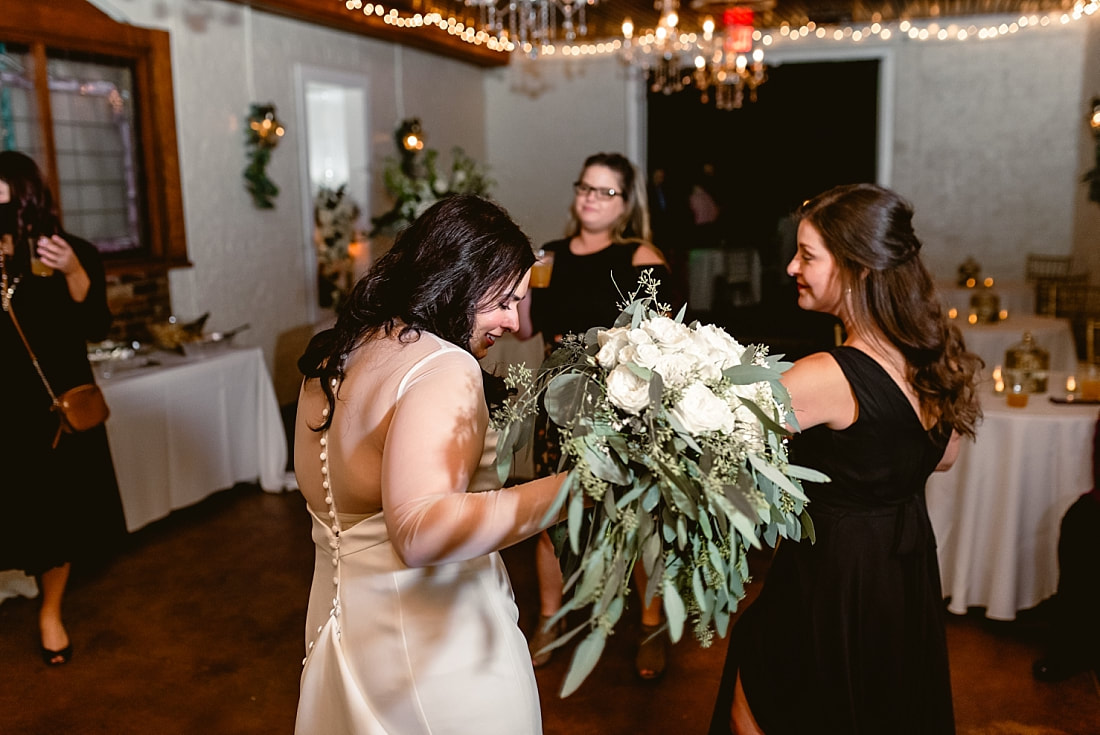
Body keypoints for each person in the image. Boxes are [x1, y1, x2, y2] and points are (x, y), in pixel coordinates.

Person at [708, 183, 983, 734]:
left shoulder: (826, 375)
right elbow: (945, 458)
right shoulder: (932, 356)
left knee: (763, 697)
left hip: (830, 574)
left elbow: (712, 445)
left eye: (808, 256)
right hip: (901, 570)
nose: (791, 267)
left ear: (858, 268)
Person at [293, 195, 567, 734]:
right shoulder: (443, 365)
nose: (514, 320)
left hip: (343, 636)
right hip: (437, 653)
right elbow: (419, 531)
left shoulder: (336, 353)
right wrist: (575, 490)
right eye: (505, 301)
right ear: (458, 279)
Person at [516, 152, 675, 678]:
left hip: (619, 406)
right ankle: (549, 620)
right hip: (555, 402)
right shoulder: (551, 256)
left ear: (625, 204)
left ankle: (650, 624)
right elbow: (523, 330)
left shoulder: (639, 257)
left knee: (633, 513)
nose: (590, 197)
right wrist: (518, 284)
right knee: (550, 513)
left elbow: (664, 340)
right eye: (585, 187)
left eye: (605, 191)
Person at [0, 150, 126, 666]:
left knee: (55, 519)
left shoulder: (68, 251)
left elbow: (96, 326)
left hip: (50, 412)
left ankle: (50, 612)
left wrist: (74, 271)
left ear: (29, 200)